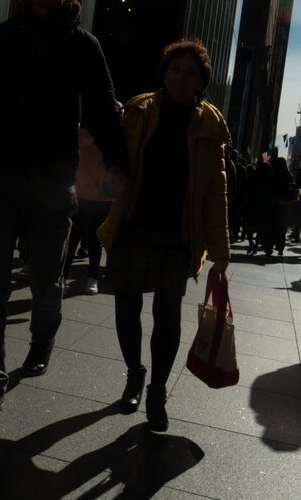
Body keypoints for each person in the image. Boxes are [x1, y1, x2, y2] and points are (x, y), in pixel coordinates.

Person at [0, 0, 129, 428]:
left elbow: (102, 110)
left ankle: (43, 335)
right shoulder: (1, 36)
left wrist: (121, 172)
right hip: (2, 179)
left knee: (43, 277)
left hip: (54, 185)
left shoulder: (82, 46)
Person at [97, 39, 230, 432]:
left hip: (178, 235)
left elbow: (215, 192)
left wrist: (220, 249)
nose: (180, 77)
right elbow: (114, 154)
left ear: (201, 80)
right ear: (165, 72)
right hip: (133, 225)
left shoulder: (208, 125)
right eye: (175, 69)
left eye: (190, 72)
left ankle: (157, 391)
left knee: (167, 315)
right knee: (126, 308)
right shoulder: (139, 109)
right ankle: (134, 372)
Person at [62, 128, 113, 295]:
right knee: (79, 237)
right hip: (85, 192)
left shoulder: (106, 132)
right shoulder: (82, 131)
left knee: (87, 238)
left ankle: (87, 276)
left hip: (98, 194)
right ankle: (87, 277)